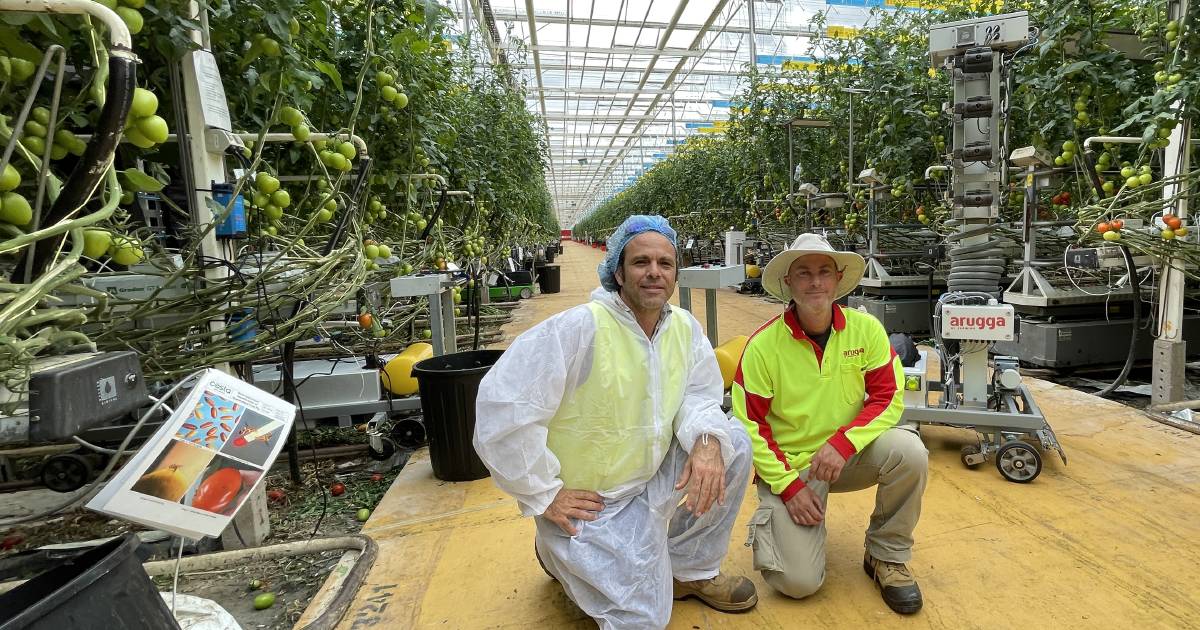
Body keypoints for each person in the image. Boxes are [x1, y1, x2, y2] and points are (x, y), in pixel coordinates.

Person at [473, 215, 757, 629]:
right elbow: (506, 407)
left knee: (732, 440)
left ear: (677, 272)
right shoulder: (580, 328)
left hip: (651, 475)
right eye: (641, 262)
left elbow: (698, 394)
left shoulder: (682, 329)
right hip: (594, 503)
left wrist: (707, 443)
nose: (654, 272)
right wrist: (544, 493)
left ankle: (688, 568)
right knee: (642, 621)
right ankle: (555, 552)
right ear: (618, 272)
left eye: (665, 263)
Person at [732, 233, 928, 615]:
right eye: (803, 273)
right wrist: (788, 488)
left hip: (847, 457)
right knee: (797, 584)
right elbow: (749, 425)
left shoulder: (865, 330)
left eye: (824, 272)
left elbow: (888, 397)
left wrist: (844, 444)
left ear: (838, 279)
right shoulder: (763, 346)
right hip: (793, 466)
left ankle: (885, 555)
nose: (815, 282)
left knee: (910, 452)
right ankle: (793, 527)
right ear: (788, 283)